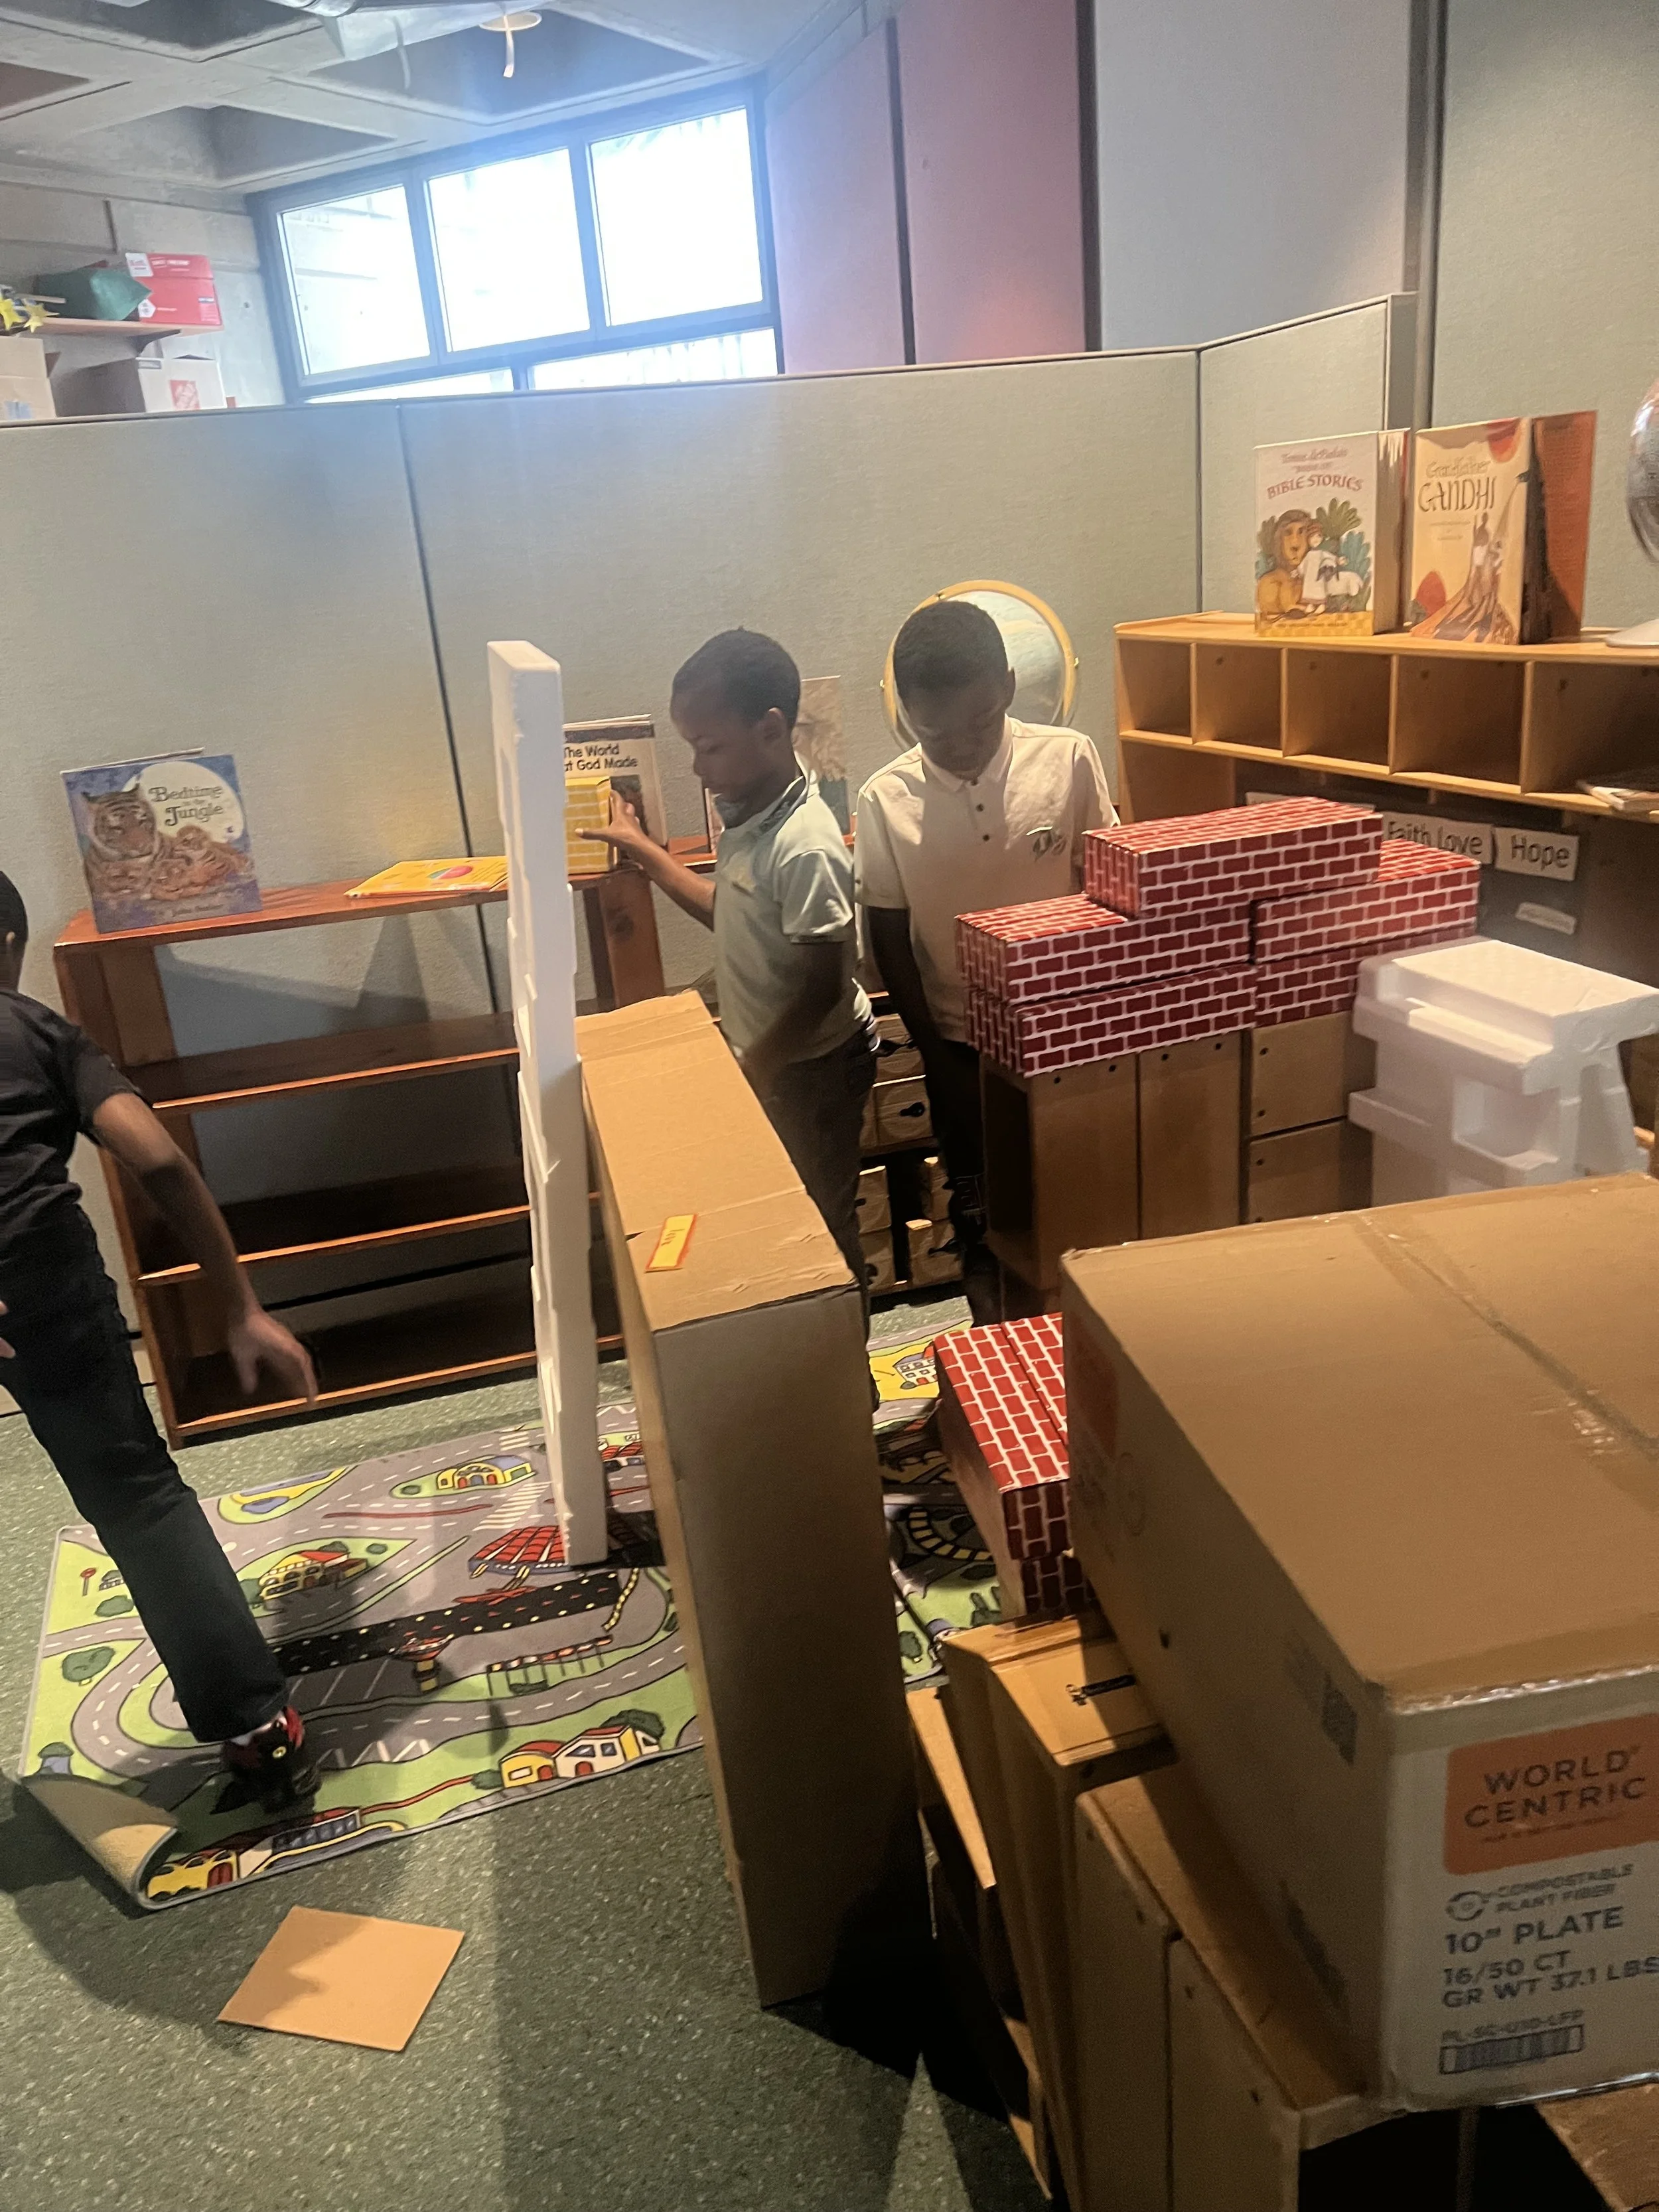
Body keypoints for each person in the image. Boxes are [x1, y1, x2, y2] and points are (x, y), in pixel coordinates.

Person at [0, 871, 321, 1806]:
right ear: (10, 947)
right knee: (138, 1502)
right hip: (42, 1281)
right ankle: (262, 1734)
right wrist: (242, 1307)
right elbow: (158, 1158)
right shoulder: (32, 1030)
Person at [585, 629, 877, 1307]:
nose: (696, 768)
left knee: (822, 1228)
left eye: (708, 747)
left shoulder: (804, 846)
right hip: (778, 1063)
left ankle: (844, 1390)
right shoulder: (749, 818)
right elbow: (730, 911)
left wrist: (754, 1069)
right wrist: (645, 851)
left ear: (770, 730)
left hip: (813, 1070)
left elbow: (822, 983)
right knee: (789, 1217)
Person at [855, 599, 1115, 1294]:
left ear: (1005, 686)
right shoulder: (886, 799)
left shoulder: (1067, 760)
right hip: (959, 1045)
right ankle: (993, 1352)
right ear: (905, 710)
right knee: (981, 1215)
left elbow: (1108, 890)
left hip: (1071, 1030)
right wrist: (935, 1060)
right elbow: (889, 935)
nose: (960, 746)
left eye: (977, 722)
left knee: (1084, 1203)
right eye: (931, 730)